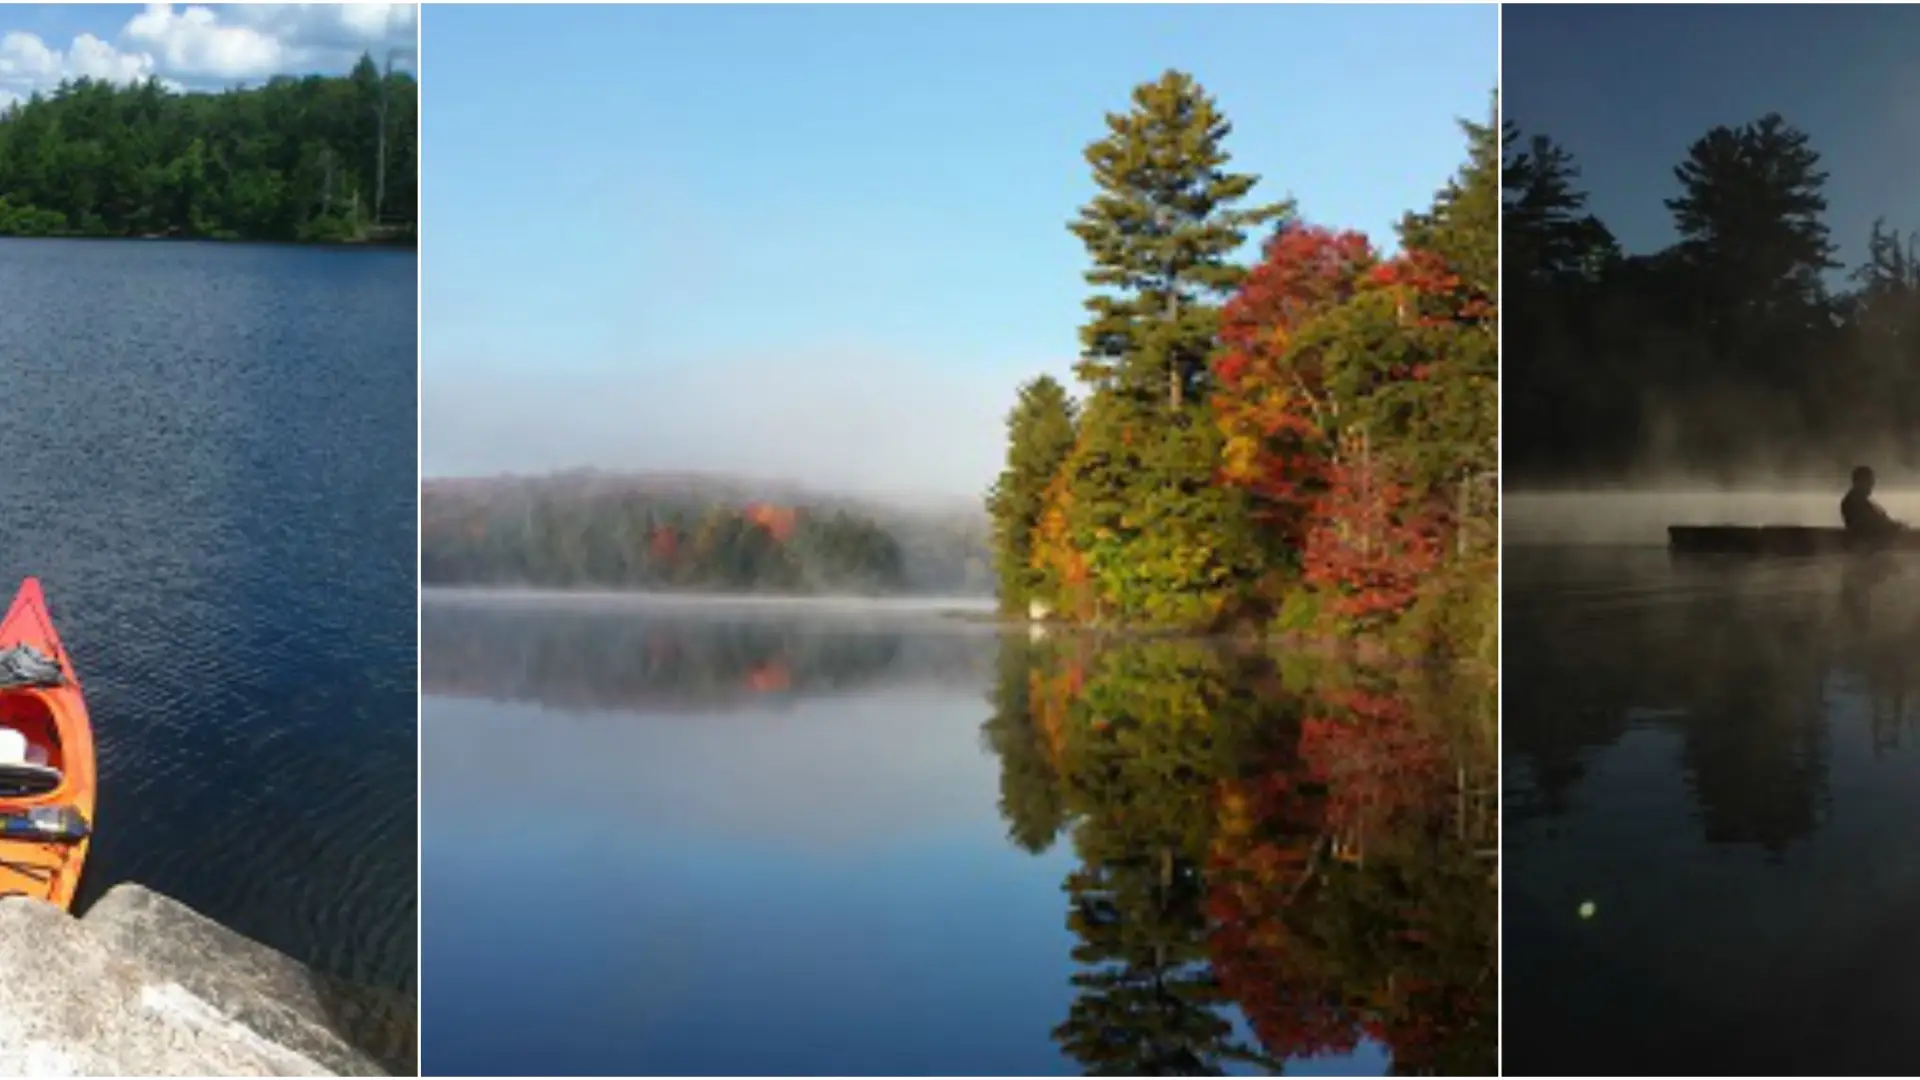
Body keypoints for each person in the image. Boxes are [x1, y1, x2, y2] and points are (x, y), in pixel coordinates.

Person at [1842, 465, 1904, 539]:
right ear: (1859, 482)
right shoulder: (1854, 503)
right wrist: (1894, 526)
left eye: (1872, 482)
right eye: (1870, 482)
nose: (1872, 485)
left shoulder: (1860, 501)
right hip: (1866, 543)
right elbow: (1870, 524)